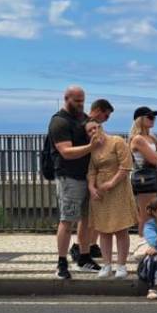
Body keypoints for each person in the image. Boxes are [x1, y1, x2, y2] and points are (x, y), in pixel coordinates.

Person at [48, 86, 104, 279]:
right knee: (67, 219)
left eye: (82, 101)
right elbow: (65, 151)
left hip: (86, 175)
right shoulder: (59, 122)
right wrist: (90, 147)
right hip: (69, 176)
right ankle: (61, 263)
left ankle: (84, 256)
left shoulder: (83, 117)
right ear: (66, 99)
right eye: (77, 101)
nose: (81, 104)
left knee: (87, 219)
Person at [84, 119, 136, 279]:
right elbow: (92, 170)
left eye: (95, 128)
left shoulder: (117, 141)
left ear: (100, 127)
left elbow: (126, 165)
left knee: (121, 229)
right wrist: (92, 187)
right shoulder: (93, 149)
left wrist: (112, 183)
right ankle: (106, 264)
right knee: (103, 229)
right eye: (89, 131)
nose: (93, 132)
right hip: (100, 191)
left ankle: (121, 265)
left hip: (118, 188)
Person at [129, 106, 157, 230]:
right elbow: (156, 159)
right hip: (145, 178)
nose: (153, 120)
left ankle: (156, 243)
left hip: (156, 175)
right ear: (140, 119)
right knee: (147, 216)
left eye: (154, 117)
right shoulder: (138, 139)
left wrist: (156, 155)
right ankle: (145, 243)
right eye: (150, 117)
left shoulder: (151, 137)